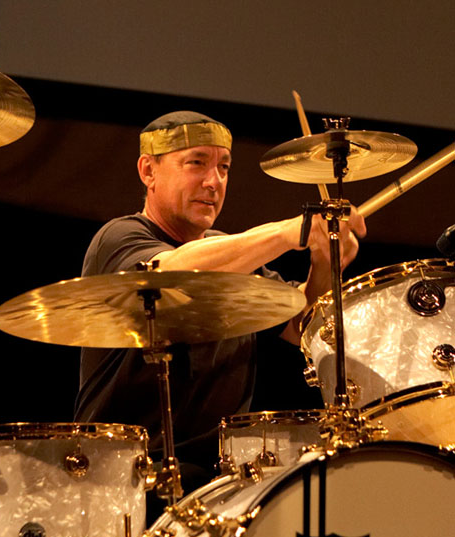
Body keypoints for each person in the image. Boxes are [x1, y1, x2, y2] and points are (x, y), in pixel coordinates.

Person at [74, 110, 366, 492]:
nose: (213, 182)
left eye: (224, 167)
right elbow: (169, 273)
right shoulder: (121, 236)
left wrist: (325, 263)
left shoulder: (229, 254)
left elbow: (301, 327)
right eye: (196, 163)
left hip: (219, 482)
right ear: (148, 171)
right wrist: (285, 232)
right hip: (125, 480)